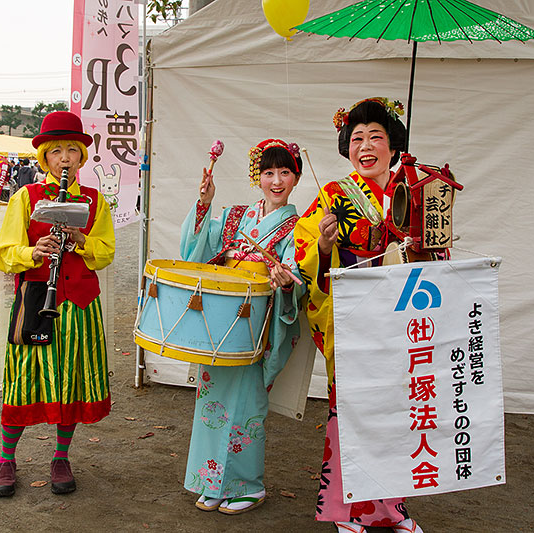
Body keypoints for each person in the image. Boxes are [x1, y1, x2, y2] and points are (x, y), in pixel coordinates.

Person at [293, 98, 424, 533]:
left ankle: (392, 508)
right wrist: (326, 247)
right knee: (350, 411)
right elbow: (304, 253)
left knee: (398, 411)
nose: (365, 146)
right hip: (351, 315)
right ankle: (346, 509)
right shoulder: (333, 194)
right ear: (347, 147)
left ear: (394, 146)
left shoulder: (414, 191)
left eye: (376, 137)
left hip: (403, 315)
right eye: (357, 138)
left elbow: (437, 249)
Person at [0, 111, 115, 498]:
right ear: (44, 157)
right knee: (24, 382)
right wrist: (33, 251)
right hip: (35, 301)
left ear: (81, 157)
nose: (64, 158)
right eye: (56, 151)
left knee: (71, 382)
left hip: (79, 305)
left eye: (71, 151)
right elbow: (3, 253)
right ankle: (6, 458)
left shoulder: (95, 201)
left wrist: (80, 240)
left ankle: (61, 456)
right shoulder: (26, 197)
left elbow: (106, 252)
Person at [180, 139, 305, 515]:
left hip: (255, 326)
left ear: (296, 178)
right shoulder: (237, 217)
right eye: (269, 173)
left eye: (285, 172)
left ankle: (248, 486)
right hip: (222, 320)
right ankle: (212, 481)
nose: (277, 180)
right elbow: (198, 250)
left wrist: (285, 279)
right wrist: (205, 203)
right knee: (211, 401)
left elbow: (297, 271)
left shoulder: (297, 227)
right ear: (259, 178)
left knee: (247, 405)